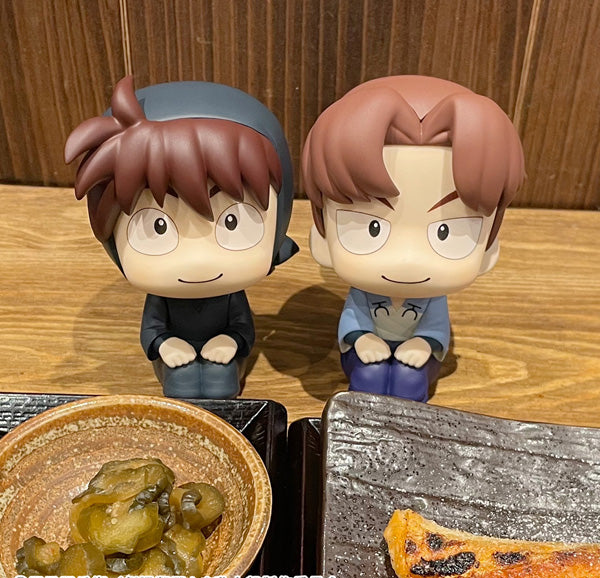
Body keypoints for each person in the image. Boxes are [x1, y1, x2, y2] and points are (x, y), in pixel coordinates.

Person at [65, 76, 296, 399]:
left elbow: (242, 325)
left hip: (223, 350)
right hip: (175, 353)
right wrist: (166, 344)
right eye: (157, 226)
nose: (197, 260)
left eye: (232, 222)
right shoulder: (161, 295)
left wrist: (229, 340)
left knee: (222, 380)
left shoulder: (230, 294)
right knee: (181, 382)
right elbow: (152, 327)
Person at [302, 75, 524, 402]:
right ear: (322, 237)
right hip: (365, 353)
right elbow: (353, 319)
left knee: (409, 380)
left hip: (418, 357)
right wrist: (362, 339)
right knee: (368, 375)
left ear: (489, 245)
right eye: (372, 228)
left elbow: (436, 327)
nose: (407, 259)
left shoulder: (433, 297)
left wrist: (422, 343)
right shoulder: (362, 291)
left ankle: (408, 421)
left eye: (446, 231)